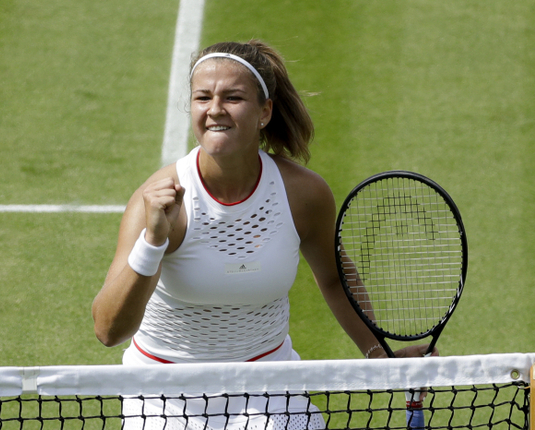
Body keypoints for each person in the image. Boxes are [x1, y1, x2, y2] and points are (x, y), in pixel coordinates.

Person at [92, 39, 433, 429]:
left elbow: (335, 280)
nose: (215, 109)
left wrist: (382, 360)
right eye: (203, 97)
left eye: (233, 97)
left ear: (264, 112)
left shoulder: (302, 194)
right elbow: (108, 330)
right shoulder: (159, 200)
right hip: (166, 391)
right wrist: (153, 242)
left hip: (268, 385)